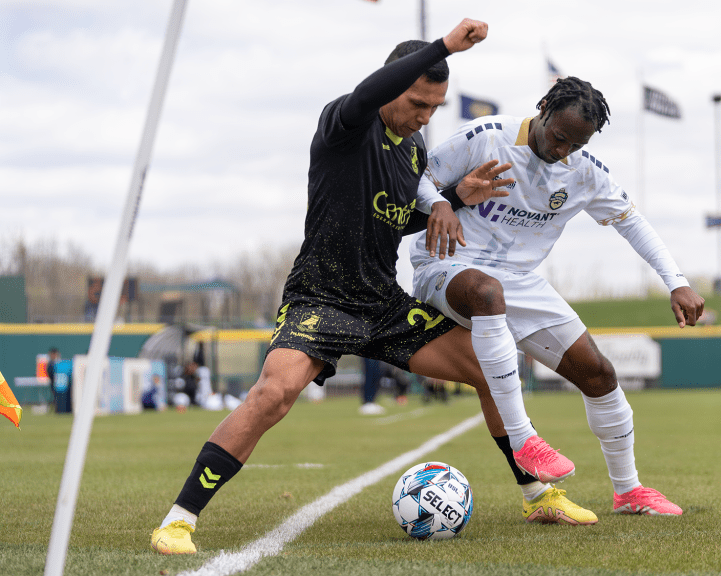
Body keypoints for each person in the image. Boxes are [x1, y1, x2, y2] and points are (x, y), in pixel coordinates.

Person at [150, 20, 575, 555]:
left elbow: (391, 222)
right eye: (418, 103)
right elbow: (368, 94)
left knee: (492, 367)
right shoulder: (345, 123)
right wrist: (443, 46)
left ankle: (536, 495)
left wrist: (455, 199)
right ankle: (179, 520)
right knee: (272, 395)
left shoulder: (413, 152)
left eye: (434, 108)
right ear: (389, 86)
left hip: (381, 303)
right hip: (321, 299)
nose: (424, 117)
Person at [409, 76, 705, 521]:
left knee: (600, 374)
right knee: (488, 292)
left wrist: (676, 281)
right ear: (543, 107)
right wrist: (440, 203)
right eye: (558, 136)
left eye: (575, 143)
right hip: (447, 266)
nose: (562, 149)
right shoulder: (486, 136)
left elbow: (632, 222)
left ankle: (629, 492)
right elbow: (418, 177)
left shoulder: (584, 171)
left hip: (521, 283)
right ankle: (525, 439)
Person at [45, 347, 60, 412]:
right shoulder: (50, 363)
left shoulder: (58, 362)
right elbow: (49, 372)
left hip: (60, 382)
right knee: (54, 396)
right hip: (53, 382)